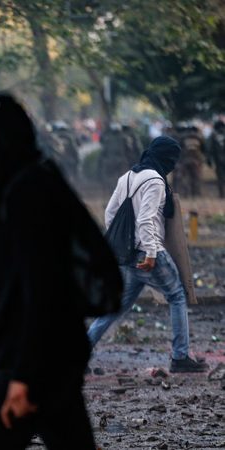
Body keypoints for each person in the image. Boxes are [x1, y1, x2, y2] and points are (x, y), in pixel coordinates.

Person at [0, 93, 97, 449]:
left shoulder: (28, 193)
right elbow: (16, 283)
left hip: (38, 357)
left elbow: (42, 290)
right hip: (49, 351)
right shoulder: (22, 184)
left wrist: (24, 377)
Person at [87, 136, 209, 373]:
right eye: (172, 159)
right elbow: (146, 218)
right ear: (167, 158)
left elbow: (110, 213)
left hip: (130, 254)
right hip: (149, 253)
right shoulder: (154, 180)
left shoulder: (128, 176)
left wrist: (126, 244)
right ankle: (180, 357)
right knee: (177, 294)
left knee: (117, 306)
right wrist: (150, 252)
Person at [173, 125, 205, 197]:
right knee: (196, 177)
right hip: (196, 160)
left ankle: (186, 193)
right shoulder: (199, 138)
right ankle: (196, 193)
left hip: (185, 160)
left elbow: (179, 149)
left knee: (185, 177)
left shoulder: (183, 138)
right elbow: (203, 149)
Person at [206, 121, 225, 197]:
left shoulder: (213, 135)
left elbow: (209, 148)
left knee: (220, 177)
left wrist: (209, 160)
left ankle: (222, 194)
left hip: (219, 160)